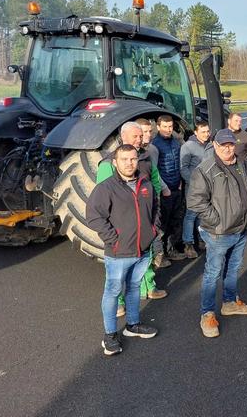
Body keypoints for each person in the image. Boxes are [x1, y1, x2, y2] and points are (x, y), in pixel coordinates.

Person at [86, 144, 160, 356]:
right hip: (119, 253)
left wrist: (153, 230)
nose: (129, 163)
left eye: (133, 159)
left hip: (142, 250)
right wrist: (114, 240)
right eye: (124, 159)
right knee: (113, 291)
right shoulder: (106, 188)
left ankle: (133, 325)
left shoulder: (145, 184)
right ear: (115, 162)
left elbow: (155, 209)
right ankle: (109, 335)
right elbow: (93, 216)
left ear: (138, 160)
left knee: (135, 287)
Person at [187, 129, 247, 339]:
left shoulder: (241, 163)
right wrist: (217, 220)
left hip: (241, 228)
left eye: (230, 145)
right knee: (213, 273)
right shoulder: (205, 169)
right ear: (215, 146)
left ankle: (229, 302)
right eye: (223, 145)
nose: (228, 149)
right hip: (219, 232)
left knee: (233, 268)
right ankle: (207, 314)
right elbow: (195, 201)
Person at [152, 115, 185, 262]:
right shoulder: (155, 145)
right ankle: (160, 255)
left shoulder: (176, 142)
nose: (168, 130)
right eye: (164, 127)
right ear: (158, 127)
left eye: (170, 127)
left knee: (175, 220)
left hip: (176, 187)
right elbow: (155, 170)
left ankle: (171, 250)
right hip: (164, 190)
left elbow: (179, 163)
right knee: (163, 223)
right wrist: (164, 188)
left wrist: (180, 182)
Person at [180, 121, 212, 259]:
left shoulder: (211, 145)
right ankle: (188, 244)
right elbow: (183, 168)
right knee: (191, 215)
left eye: (207, 131)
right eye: (203, 132)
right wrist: (193, 183)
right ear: (196, 132)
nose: (206, 134)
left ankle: (201, 240)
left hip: (208, 186)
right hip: (193, 187)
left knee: (203, 214)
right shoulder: (188, 146)